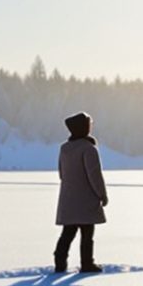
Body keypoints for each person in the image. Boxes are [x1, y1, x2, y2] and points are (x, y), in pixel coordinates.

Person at [53, 111, 107, 274]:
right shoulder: (88, 149)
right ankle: (87, 264)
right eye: (89, 124)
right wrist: (102, 195)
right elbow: (94, 175)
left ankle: (60, 262)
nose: (91, 127)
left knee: (68, 233)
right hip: (85, 200)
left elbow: (62, 173)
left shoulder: (65, 148)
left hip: (68, 199)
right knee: (87, 234)